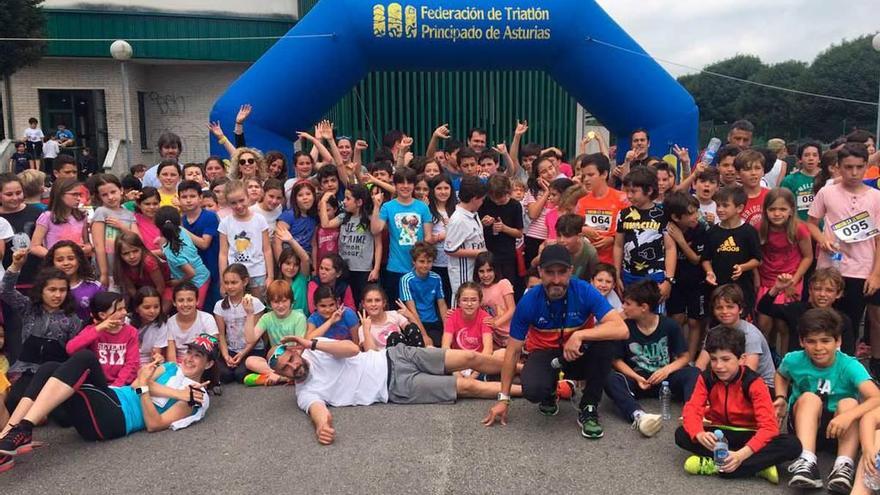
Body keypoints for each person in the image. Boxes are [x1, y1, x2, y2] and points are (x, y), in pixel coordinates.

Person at [482, 244, 628, 439]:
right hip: (545, 355)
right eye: (550, 273)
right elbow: (513, 351)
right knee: (533, 390)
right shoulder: (529, 301)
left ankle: (589, 406)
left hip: (578, 352)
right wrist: (503, 399)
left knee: (606, 343)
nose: (556, 280)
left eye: (562, 272)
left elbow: (621, 329)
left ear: (570, 271)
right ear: (540, 272)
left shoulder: (584, 290)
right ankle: (550, 391)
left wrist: (580, 335)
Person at [0, 334, 215, 465]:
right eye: (189, 352)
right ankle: (9, 435)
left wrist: (144, 388)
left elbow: (154, 424)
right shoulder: (171, 367)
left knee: (85, 358)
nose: (189, 358)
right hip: (113, 396)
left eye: (198, 356)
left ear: (208, 365)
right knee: (49, 368)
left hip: (115, 419)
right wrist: (172, 393)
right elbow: (136, 384)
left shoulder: (196, 395)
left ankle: (24, 428)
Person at [270, 332, 517, 445]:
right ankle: (528, 389)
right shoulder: (304, 393)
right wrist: (322, 426)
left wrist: (310, 342)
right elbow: (317, 411)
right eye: (286, 369)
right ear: (281, 375)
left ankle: (522, 370)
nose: (293, 367)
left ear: (294, 351)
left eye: (291, 360)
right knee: (467, 385)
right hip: (396, 387)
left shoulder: (317, 348)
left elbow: (353, 350)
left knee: (470, 358)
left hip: (395, 356)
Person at [675, 326, 800, 483]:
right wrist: (699, 433)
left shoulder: (754, 382)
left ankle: (719, 465)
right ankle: (758, 465)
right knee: (682, 434)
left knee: (793, 444)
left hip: (750, 433)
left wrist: (741, 455)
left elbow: (769, 427)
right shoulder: (706, 378)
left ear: (741, 359)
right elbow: (692, 409)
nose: (718, 366)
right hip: (722, 433)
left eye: (726, 359)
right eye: (713, 359)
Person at [776, 308, 880, 491]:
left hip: (839, 428)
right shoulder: (793, 360)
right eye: (811, 341)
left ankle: (844, 465)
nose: (818, 348)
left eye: (825, 341)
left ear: (837, 341)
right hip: (805, 425)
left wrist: (847, 416)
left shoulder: (849, 365)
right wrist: (781, 397)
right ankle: (806, 461)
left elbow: (876, 397)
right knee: (809, 397)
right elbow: (781, 374)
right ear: (801, 341)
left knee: (849, 403)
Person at [807, 143, 880, 359]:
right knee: (823, 321)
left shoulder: (876, 197)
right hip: (829, 269)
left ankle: (847, 369)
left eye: (859, 167)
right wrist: (822, 239)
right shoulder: (826, 192)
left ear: (867, 166)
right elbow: (811, 222)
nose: (854, 172)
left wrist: (876, 274)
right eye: (848, 167)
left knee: (850, 323)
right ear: (838, 167)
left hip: (861, 270)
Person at [604, 280, 698, 437]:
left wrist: (666, 370)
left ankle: (692, 413)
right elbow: (616, 360)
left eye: (628, 303)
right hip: (636, 379)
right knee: (609, 377)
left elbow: (685, 356)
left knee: (694, 373)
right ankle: (638, 415)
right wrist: (636, 377)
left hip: (664, 379)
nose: (623, 307)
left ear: (644, 307)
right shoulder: (624, 326)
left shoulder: (669, 325)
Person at [2, 251, 82, 413]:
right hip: (29, 370)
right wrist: (16, 265)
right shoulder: (29, 308)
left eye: (62, 290)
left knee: (65, 417)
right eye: (52, 290)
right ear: (41, 290)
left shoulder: (72, 319)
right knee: (13, 403)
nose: (57, 295)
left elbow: (74, 353)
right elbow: (5, 291)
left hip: (56, 374)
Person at [754, 188, 813, 340]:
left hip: (790, 279)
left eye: (782, 209)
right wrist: (756, 279)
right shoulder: (759, 228)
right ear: (765, 210)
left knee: (783, 323)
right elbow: (754, 257)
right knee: (764, 323)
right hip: (766, 279)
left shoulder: (799, 229)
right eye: (772, 209)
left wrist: (794, 279)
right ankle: (766, 357)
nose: (777, 213)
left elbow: (808, 257)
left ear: (791, 210)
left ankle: (785, 359)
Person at [695, 284, 776, 392]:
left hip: (760, 386)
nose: (724, 311)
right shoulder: (714, 332)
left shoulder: (750, 334)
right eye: (719, 308)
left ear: (741, 309)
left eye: (730, 307)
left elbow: (749, 372)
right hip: (728, 379)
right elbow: (700, 365)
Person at [371, 167, 432, 303]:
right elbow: (376, 230)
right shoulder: (388, 206)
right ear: (395, 185)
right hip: (395, 267)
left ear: (413, 185)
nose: (405, 186)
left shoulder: (423, 207)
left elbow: (428, 237)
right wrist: (376, 206)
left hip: (418, 268)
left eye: (409, 183)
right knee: (397, 309)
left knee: (419, 307)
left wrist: (422, 260)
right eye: (401, 183)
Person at [758, 268, 852, 356]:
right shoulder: (796, 309)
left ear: (838, 294)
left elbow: (848, 354)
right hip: (799, 368)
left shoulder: (843, 320)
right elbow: (764, 308)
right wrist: (776, 288)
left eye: (829, 290)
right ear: (810, 290)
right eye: (817, 289)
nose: (822, 294)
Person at [614, 167, 675, 300]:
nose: (629, 195)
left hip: (655, 275)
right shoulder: (623, 214)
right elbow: (618, 245)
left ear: (649, 190)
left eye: (634, 191)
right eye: (627, 191)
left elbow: (670, 248)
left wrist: (669, 280)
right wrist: (617, 275)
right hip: (629, 275)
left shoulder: (663, 214)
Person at [701, 186, 762, 316]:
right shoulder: (712, 232)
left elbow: (757, 259)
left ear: (739, 208)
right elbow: (705, 258)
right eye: (718, 205)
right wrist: (709, 272)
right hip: (717, 287)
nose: (720, 209)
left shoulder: (749, 232)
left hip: (742, 287)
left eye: (725, 206)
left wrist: (743, 267)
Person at [663, 191, 710, 360]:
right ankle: (673, 356)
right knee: (676, 319)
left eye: (696, 211)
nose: (695, 216)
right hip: (675, 281)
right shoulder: (666, 226)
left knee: (695, 321)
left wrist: (681, 240)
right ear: (676, 217)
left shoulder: (700, 228)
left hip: (697, 281)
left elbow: (696, 259)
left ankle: (690, 359)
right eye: (690, 213)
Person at [64, 292, 139, 387]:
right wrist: (98, 329)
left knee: (140, 390)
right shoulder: (92, 330)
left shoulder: (131, 332)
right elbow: (70, 349)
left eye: (124, 308)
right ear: (103, 315)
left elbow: (132, 364)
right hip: (94, 384)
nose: (124, 312)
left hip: (122, 386)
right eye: (119, 309)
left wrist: (116, 386)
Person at [326, 184, 381, 304]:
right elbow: (326, 224)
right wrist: (324, 200)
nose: (344, 201)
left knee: (362, 301)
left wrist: (376, 268)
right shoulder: (343, 217)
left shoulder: (370, 218)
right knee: (346, 301)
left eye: (348, 198)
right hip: (344, 268)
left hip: (363, 269)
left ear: (359, 202)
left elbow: (378, 244)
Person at [218, 180, 273, 298]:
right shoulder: (225, 223)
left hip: (257, 272)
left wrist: (270, 276)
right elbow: (223, 254)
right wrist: (223, 281)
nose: (238, 206)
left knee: (257, 306)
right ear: (228, 203)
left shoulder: (260, 220)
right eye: (233, 203)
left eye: (241, 200)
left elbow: (267, 249)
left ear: (248, 197)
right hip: (235, 274)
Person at [214, 264, 265, 384]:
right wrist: (226, 355)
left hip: (252, 349)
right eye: (226, 283)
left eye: (234, 282)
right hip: (231, 349)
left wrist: (242, 354)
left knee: (240, 374)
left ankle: (262, 375)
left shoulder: (255, 303)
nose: (230, 286)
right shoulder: (219, 305)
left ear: (245, 281)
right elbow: (221, 334)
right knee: (224, 375)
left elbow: (256, 336)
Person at [576, 153, 629, 264]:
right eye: (584, 176)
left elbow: (633, 230)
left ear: (604, 174)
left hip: (615, 264)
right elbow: (572, 229)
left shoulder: (622, 199)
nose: (586, 179)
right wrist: (582, 229)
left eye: (591, 175)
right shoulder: (581, 202)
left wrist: (613, 240)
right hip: (588, 263)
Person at [156, 206, 211, 308]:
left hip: (198, 281)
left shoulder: (171, 252)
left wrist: (177, 282)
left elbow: (191, 273)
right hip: (200, 273)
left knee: (193, 308)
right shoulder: (181, 230)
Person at [178, 180, 221, 311]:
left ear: (200, 198)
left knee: (212, 308)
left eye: (192, 196)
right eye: (184, 197)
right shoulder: (182, 219)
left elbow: (204, 244)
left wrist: (181, 229)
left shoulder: (210, 217)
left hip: (212, 270)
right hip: (192, 273)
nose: (188, 200)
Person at [91, 174, 139, 288]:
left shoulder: (129, 214)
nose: (110, 197)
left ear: (121, 190)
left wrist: (121, 227)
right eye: (105, 195)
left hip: (127, 268)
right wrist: (104, 273)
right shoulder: (101, 212)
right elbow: (98, 245)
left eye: (113, 192)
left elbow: (138, 239)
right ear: (100, 197)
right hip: (109, 269)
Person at [478, 174, 523, 296]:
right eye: (494, 198)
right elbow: (475, 228)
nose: (497, 201)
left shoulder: (514, 205)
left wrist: (504, 228)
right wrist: (482, 224)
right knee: (488, 287)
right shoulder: (485, 203)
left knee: (506, 288)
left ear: (508, 192)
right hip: (487, 252)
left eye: (501, 198)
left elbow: (519, 233)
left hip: (507, 254)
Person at [446, 176, 488, 301]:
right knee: (463, 302)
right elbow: (449, 249)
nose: (482, 203)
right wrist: (478, 253)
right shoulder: (458, 219)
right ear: (475, 199)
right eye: (482, 199)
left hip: (474, 271)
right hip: (463, 274)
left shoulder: (473, 214)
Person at [400, 242, 447, 346]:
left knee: (440, 348)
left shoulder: (436, 278)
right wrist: (424, 336)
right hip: (415, 323)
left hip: (433, 322)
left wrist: (448, 332)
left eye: (429, 261)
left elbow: (442, 305)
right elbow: (412, 310)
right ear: (414, 262)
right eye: (421, 261)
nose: (425, 265)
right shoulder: (406, 280)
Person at [30, 178, 89, 259]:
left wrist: (87, 248)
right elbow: (34, 247)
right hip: (55, 266)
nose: (78, 198)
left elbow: (87, 243)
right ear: (60, 195)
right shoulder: (47, 217)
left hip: (77, 263)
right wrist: (55, 256)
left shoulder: (81, 217)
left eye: (79, 195)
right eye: (74, 194)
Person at [46, 241, 102, 323]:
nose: (66, 263)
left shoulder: (94, 287)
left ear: (79, 260)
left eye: (71, 258)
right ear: (52, 263)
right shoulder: (44, 287)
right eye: (60, 260)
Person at [166, 283, 219, 362]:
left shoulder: (207, 319)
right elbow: (171, 357)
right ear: (174, 302)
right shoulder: (170, 322)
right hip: (179, 365)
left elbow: (212, 347)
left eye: (190, 300)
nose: (185, 304)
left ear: (197, 301)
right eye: (180, 300)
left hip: (201, 363)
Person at [358, 284, 421, 351]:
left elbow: (415, 332)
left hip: (403, 354)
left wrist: (410, 316)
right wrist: (366, 331)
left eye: (377, 300)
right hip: (381, 359)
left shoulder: (394, 315)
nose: (373, 304)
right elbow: (371, 354)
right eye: (369, 301)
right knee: (394, 338)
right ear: (363, 304)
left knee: (407, 331)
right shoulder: (363, 328)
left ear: (384, 303)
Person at [129, 286, 172, 364]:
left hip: (148, 363)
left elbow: (156, 354)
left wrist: (157, 358)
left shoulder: (161, 325)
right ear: (136, 308)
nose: (152, 311)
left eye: (156, 307)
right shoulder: (126, 322)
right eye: (147, 307)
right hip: (128, 362)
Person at [781, 141, 822, 221]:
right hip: (798, 226)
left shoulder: (827, 179)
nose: (811, 158)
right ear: (800, 159)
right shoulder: (789, 180)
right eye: (806, 155)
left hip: (823, 228)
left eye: (814, 155)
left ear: (819, 159)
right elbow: (782, 204)